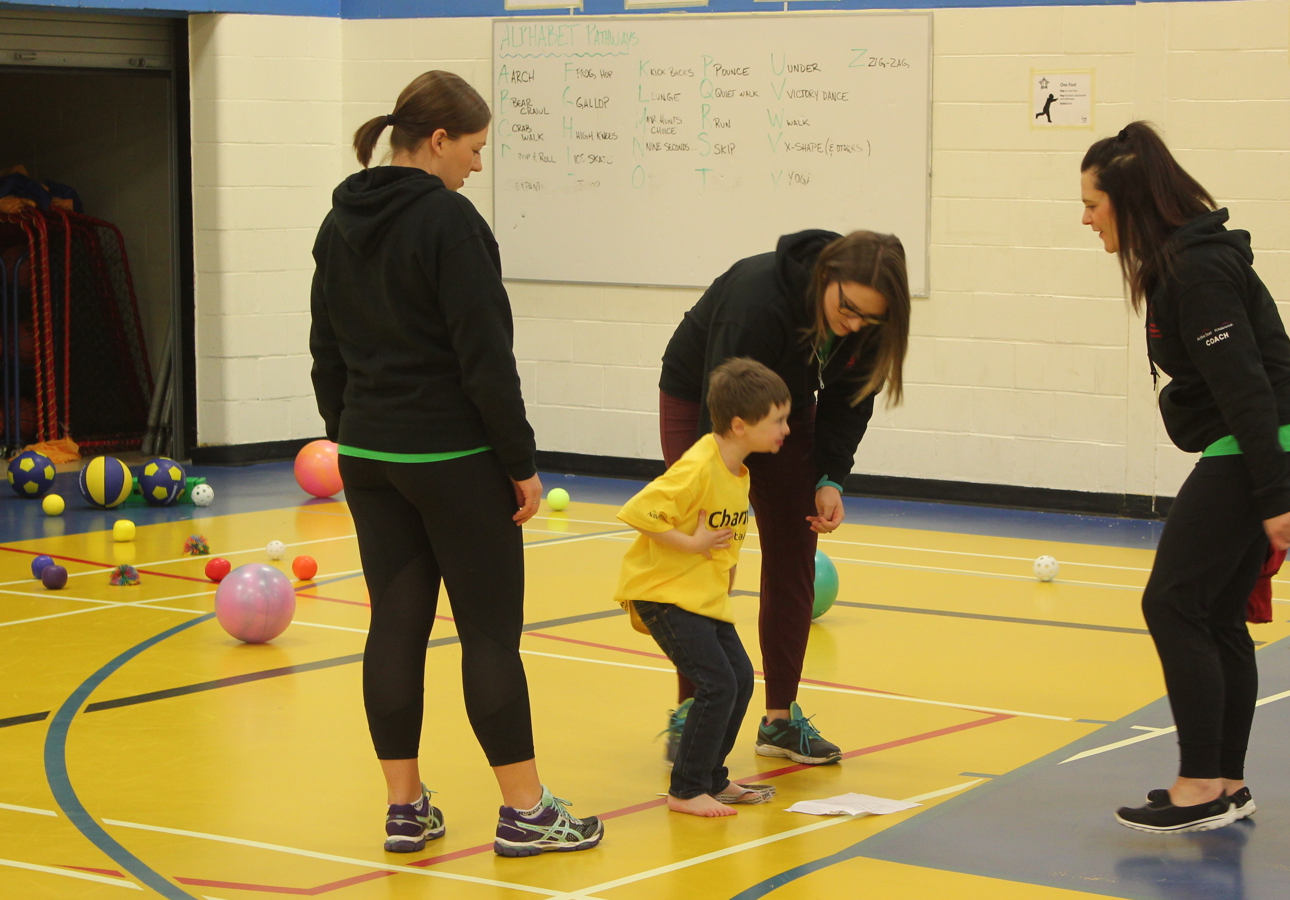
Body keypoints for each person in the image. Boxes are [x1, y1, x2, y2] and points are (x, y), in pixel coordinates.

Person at [310, 70, 602, 857]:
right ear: (437, 141)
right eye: (474, 148)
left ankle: (404, 809)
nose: (478, 164)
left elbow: (324, 348)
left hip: (369, 454)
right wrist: (520, 462)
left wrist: (353, 431)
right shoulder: (449, 222)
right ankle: (528, 812)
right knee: (489, 635)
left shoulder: (339, 221)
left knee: (394, 628)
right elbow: (485, 358)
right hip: (453, 456)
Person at [1080, 121, 1290, 834]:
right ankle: (1226, 783)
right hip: (1262, 447)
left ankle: (1199, 784)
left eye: (1092, 203)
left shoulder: (1196, 270)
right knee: (1213, 613)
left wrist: (1272, 498)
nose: (1084, 218)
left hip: (1254, 450)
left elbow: (1245, 384)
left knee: (1172, 604)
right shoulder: (1183, 263)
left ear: (1126, 202)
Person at [658, 230, 911, 766]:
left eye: (871, 319)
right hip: (707, 395)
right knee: (708, 551)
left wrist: (829, 479)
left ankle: (779, 720)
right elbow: (719, 409)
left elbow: (849, 400)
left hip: (785, 409)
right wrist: (714, 489)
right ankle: (691, 710)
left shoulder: (864, 321)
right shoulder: (758, 299)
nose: (855, 325)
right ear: (827, 277)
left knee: (795, 548)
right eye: (848, 310)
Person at [616, 358, 792, 816]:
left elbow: (726, 541)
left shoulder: (739, 471)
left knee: (738, 681)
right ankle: (686, 789)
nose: (786, 429)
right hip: (663, 594)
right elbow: (639, 511)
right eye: (778, 420)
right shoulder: (698, 465)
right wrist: (690, 543)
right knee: (716, 684)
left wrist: (721, 577)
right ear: (740, 425)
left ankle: (712, 777)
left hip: (701, 597)